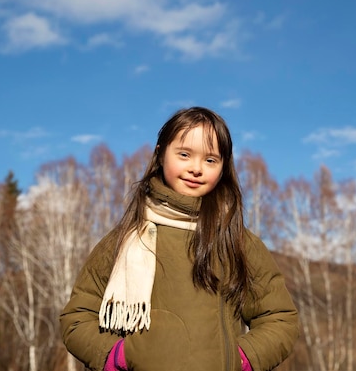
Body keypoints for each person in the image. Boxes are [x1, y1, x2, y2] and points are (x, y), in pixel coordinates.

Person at [60, 106, 299, 371]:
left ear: (223, 168)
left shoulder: (236, 241)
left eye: (210, 160)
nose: (196, 168)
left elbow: (278, 317)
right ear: (161, 154)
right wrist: (117, 355)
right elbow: (78, 317)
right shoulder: (122, 239)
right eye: (184, 155)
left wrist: (240, 359)